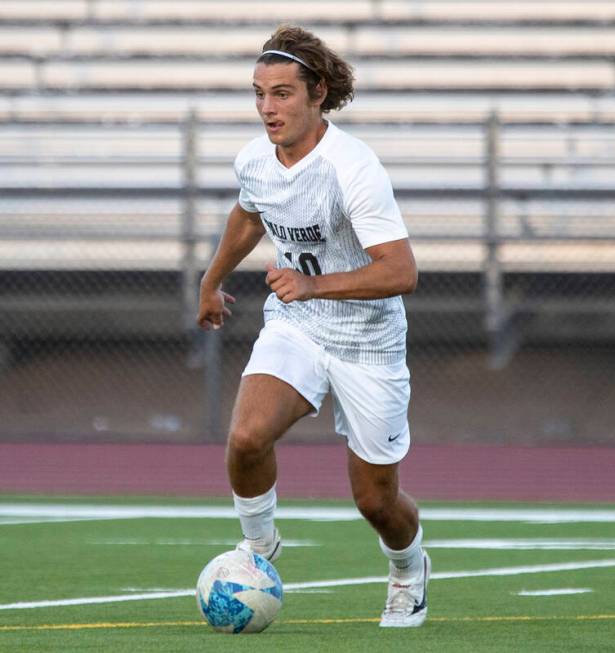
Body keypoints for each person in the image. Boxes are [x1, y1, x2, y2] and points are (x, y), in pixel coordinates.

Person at [196, 25, 429, 628]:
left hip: (368, 343)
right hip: (297, 326)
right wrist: (211, 279)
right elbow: (250, 215)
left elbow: (402, 271)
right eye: (258, 94)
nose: (268, 108)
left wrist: (314, 283)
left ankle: (408, 569)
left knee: (375, 501)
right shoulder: (255, 158)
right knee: (246, 439)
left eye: (281, 93)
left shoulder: (353, 166)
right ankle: (260, 549)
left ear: (317, 92)